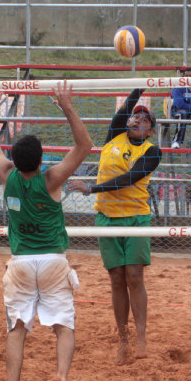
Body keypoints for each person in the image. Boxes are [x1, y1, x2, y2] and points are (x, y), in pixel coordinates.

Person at [0, 80, 92, 381]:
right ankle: (60, 375)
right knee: (64, 327)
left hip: (21, 263)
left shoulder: (6, 175)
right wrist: (67, 106)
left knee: (16, 329)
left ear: (14, 158)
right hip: (54, 261)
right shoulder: (52, 179)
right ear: (42, 159)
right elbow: (85, 145)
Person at [67, 89, 161, 366]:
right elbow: (124, 111)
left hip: (135, 218)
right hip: (107, 217)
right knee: (116, 278)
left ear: (151, 131)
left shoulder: (151, 151)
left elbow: (130, 178)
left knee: (134, 275)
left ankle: (141, 335)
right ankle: (123, 337)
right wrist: (138, 87)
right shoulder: (114, 136)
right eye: (136, 117)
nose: (137, 120)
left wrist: (91, 188)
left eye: (145, 120)